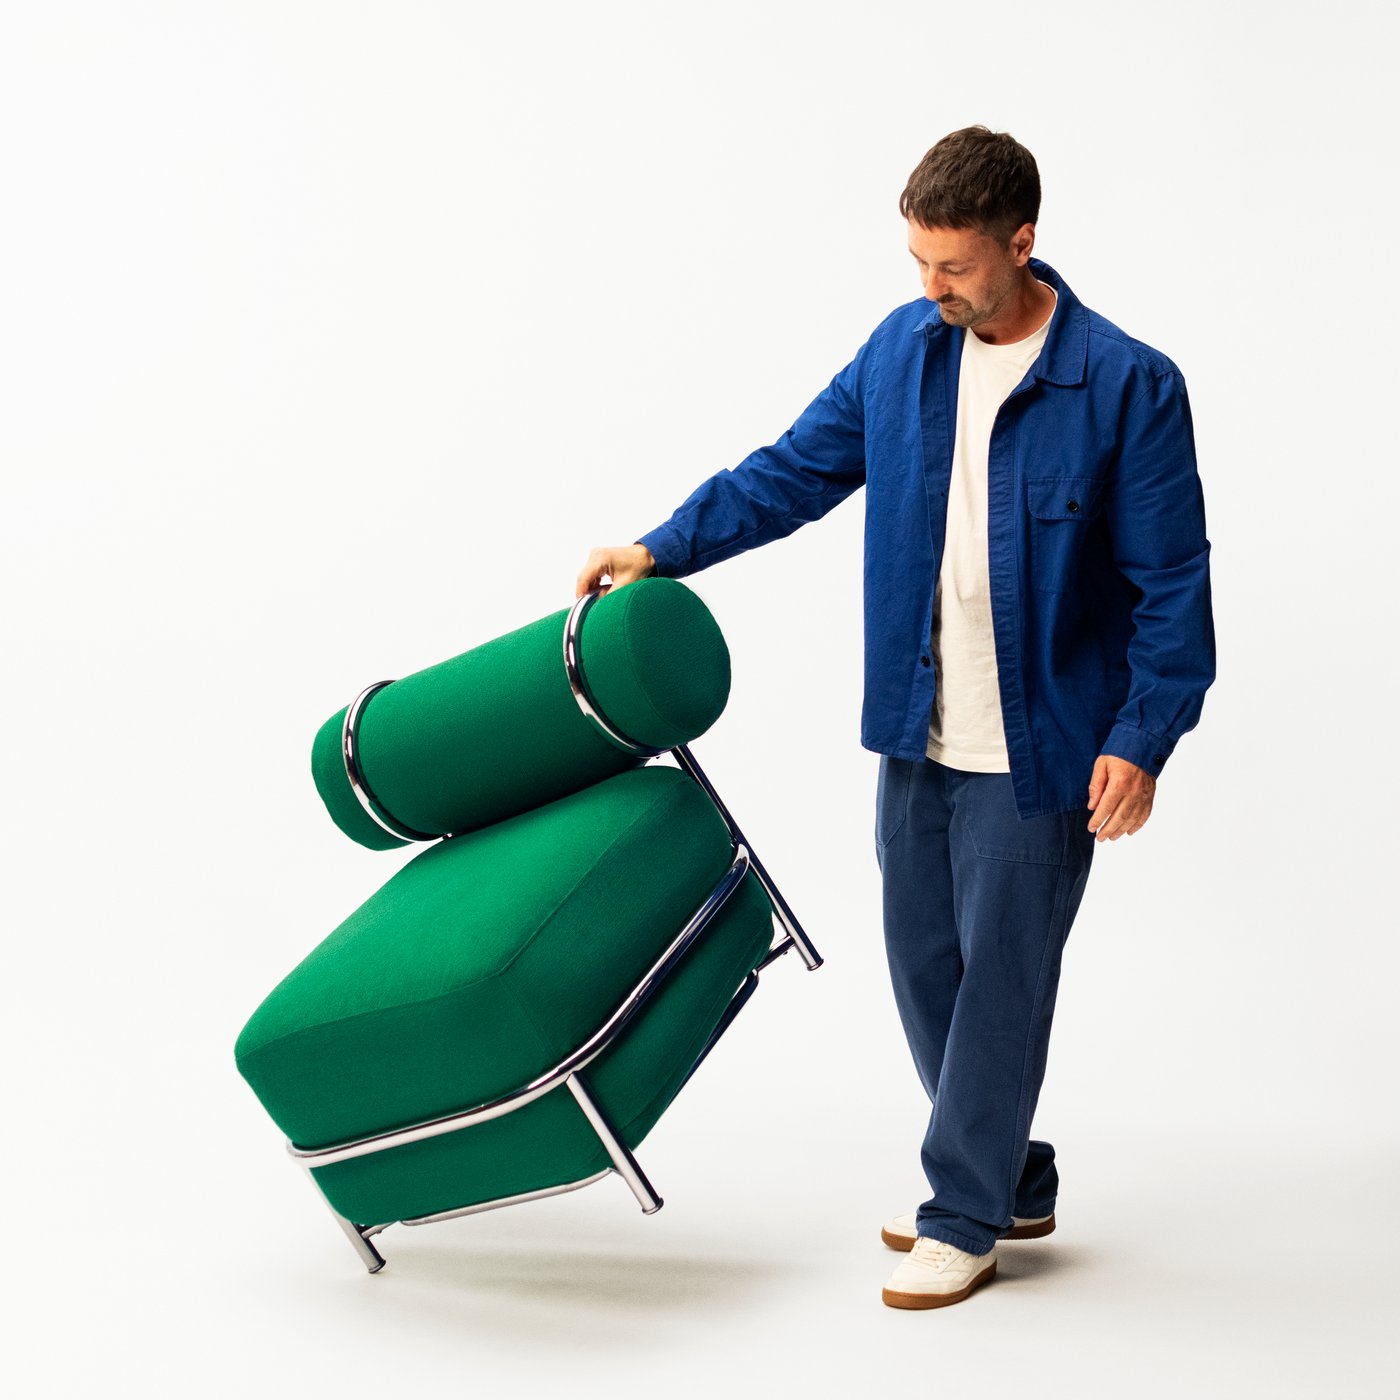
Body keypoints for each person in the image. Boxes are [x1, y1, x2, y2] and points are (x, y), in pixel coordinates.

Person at [575, 125, 1215, 1311]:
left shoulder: (1126, 383)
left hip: (1046, 744)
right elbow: (790, 471)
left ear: (1020, 243)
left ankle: (962, 1211)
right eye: (917, 262)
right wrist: (663, 547)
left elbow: (1171, 585)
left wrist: (1141, 735)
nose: (929, 288)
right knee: (925, 966)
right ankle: (1010, 1174)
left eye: (952, 266)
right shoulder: (901, 351)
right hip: (917, 726)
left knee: (1002, 980)